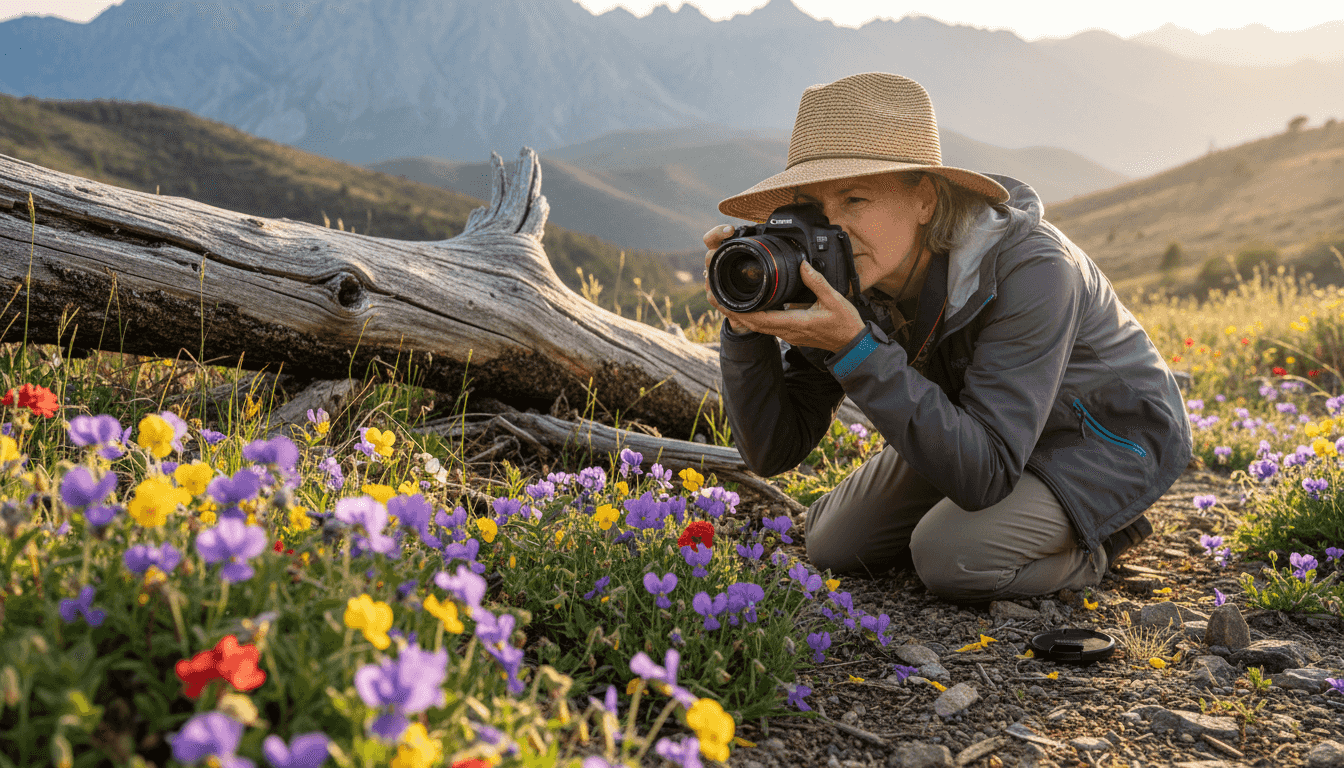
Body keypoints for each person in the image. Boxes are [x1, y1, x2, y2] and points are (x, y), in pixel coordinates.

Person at [703, 72, 1192, 602]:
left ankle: (1101, 538)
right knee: (834, 542)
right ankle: (1024, 519)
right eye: (814, 210)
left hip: (1103, 438)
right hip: (981, 428)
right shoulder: (852, 274)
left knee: (950, 557)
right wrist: (745, 326)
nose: (832, 228)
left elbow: (985, 473)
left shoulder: (1033, 268)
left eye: (855, 200)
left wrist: (856, 349)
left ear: (926, 200)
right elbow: (774, 449)